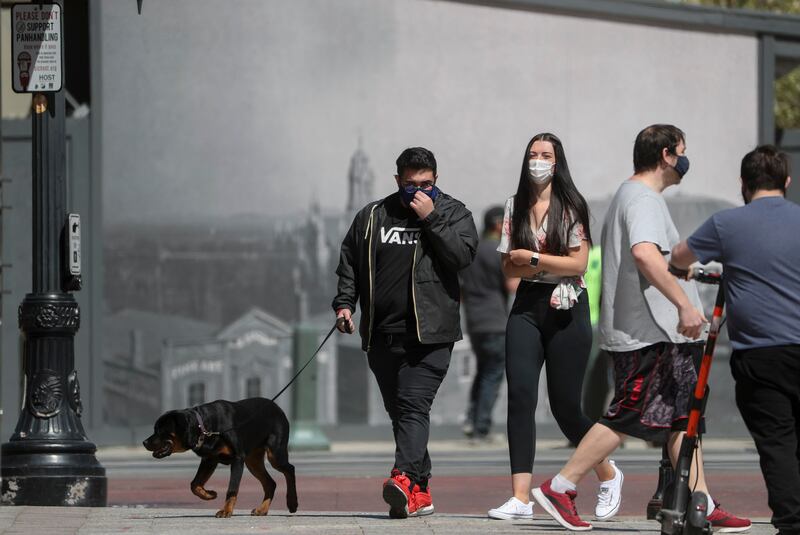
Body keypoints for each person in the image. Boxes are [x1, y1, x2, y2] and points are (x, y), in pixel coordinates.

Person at [531, 124, 751, 532]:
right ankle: (561, 486)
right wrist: (685, 305)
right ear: (666, 155)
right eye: (682, 152)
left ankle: (698, 498)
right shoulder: (643, 199)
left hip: (649, 330)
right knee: (630, 413)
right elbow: (647, 256)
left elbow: (655, 261)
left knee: (682, 418)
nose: (685, 161)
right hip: (646, 332)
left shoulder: (630, 196)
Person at [332, 146, 478, 519]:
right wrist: (345, 304)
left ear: (436, 180)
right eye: (410, 185)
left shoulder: (453, 212)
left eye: (426, 184)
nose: (418, 191)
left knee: (414, 407)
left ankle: (401, 479)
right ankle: (421, 490)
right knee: (402, 415)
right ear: (397, 181)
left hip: (430, 336)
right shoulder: (373, 216)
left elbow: (462, 257)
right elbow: (349, 259)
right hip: (381, 335)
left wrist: (431, 219)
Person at [487, 133, 621, 522]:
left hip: (567, 307)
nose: (538, 161)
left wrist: (532, 258)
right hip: (527, 307)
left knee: (566, 407)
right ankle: (519, 497)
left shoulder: (571, 206)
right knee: (521, 397)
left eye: (546, 155)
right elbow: (507, 267)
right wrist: (540, 263)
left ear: (557, 162)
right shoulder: (516, 206)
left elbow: (578, 265)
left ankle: (608, 472)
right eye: (533, 154)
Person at [671, 145, 800, 535]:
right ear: (787, 182)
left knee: (777, 442)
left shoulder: (726, 224)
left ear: (743, 184)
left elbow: (679, 256)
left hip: (761, 354)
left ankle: (792, 524)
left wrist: (688, 269)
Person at [460, 205, 519, 443]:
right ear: (498, 224)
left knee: (483, 371)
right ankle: (481, 428)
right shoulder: (499, 251)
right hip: (495, 320)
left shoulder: (471, 251)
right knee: (493, 373)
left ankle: (472, 420)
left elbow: (460, 289)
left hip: (474, 321)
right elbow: (512, 286)